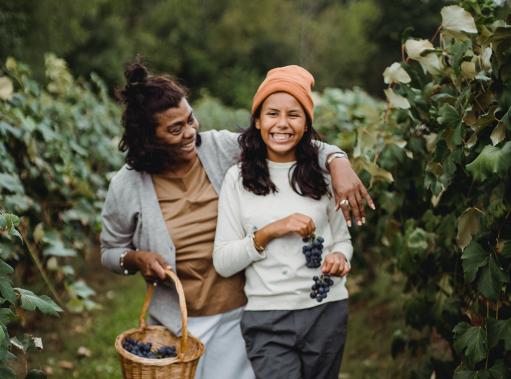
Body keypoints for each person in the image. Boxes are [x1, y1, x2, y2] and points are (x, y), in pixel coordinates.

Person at [100, 61, 370, 379]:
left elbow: (286, 139)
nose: (190, 132)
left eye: (190, 120)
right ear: (148, 138)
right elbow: (109, 252)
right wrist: (135, 258)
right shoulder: (127, 185)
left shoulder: (218, 147)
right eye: (175, 129)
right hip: (180, 323)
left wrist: (338, 161)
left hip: (239, 312)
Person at [213, 65, 352, 379]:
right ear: (258, 120)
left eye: (294, 114)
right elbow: (222, 262)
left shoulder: (324, 175)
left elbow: (342, 239)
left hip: (326, 310)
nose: (282, 123)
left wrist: (340, 257)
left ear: (306, 124)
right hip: (267, 319)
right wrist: (271, 231)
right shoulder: (238, 179)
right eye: (272, 113)